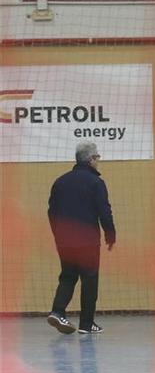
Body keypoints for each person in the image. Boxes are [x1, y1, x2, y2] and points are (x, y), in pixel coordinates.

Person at [47, 142, 116, 335]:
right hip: (87, 241)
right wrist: (110, 233)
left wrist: (57, 234)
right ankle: (86, 324)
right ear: (91, 160)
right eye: (97, 158)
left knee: (68, 276)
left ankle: (57, 311)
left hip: (64, 240)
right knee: (89, 279)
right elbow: (104, 210)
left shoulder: (60, 182)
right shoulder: (96, 182)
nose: (98, 161)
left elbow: (51, 212)